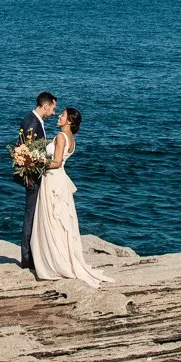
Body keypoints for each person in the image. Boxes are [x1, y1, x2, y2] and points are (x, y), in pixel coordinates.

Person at [29, 106, 112, 288]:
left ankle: (54, 262)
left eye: (62, 115)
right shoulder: (71, 139)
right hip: (60, 181)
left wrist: (34, 162)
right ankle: (61, 257)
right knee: (60, 220)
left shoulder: (60, 137)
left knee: (52, 219)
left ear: (69, 121)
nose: (59, 116)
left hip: (52, 180)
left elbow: (57, 162)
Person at [17, 91, 55, 272]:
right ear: (46, 106)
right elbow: (27, 152)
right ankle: (27, 258)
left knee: (32, 215)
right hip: (33, 178)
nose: (54, 113)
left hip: (34, 176)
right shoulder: (32, 123)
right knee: (31, 215)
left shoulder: (32, 120)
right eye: (53, 108)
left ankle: (32, 254)